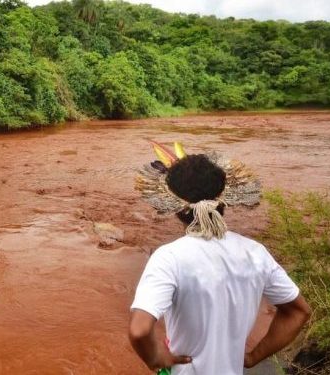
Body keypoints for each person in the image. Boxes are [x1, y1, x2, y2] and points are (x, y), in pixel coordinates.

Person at [130, 150, 311, 375]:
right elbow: (298, 312)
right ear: (223, 201)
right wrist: (254, 356)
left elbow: (139, 330)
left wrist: (155, 356)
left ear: (176, 208)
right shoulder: (255, 253)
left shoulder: (169, 258)